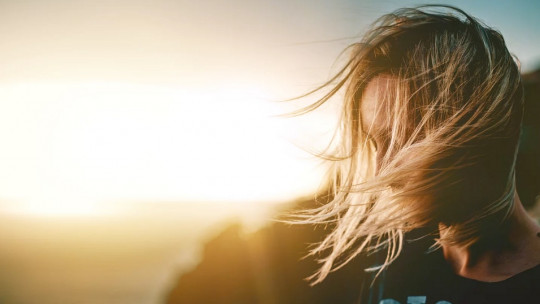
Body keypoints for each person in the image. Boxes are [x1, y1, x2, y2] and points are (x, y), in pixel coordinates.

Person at [293, 5, 540, 303]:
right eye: (376, 143)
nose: (381, 174)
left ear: (480, 130)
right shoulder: (384, 259)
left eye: (403, 140)